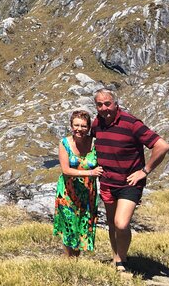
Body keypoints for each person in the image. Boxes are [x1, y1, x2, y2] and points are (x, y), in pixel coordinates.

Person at [92, 88, 169, 272]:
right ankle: (116, 258)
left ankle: (122, 260)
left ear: (115, 103)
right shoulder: (97, 123)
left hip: (129, 183)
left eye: (107, 103)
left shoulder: (131, 123)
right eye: (99, 105)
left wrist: (145, 170)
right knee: (112, 223)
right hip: (107, 182)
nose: (104, 108)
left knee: (121, 223)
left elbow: (162, 146)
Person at [53, 110, 103, 257]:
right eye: (76, 125)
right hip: (68, 192)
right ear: (71, 125)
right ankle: (69, 259)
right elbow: (66, 170)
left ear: (89, 127)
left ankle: (75, 258)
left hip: (88, 193)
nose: (79, 129)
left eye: (83, 126)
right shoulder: (64, 143)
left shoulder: (95, 143)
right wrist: (90, 173)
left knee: (82, 224)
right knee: (69, 225)